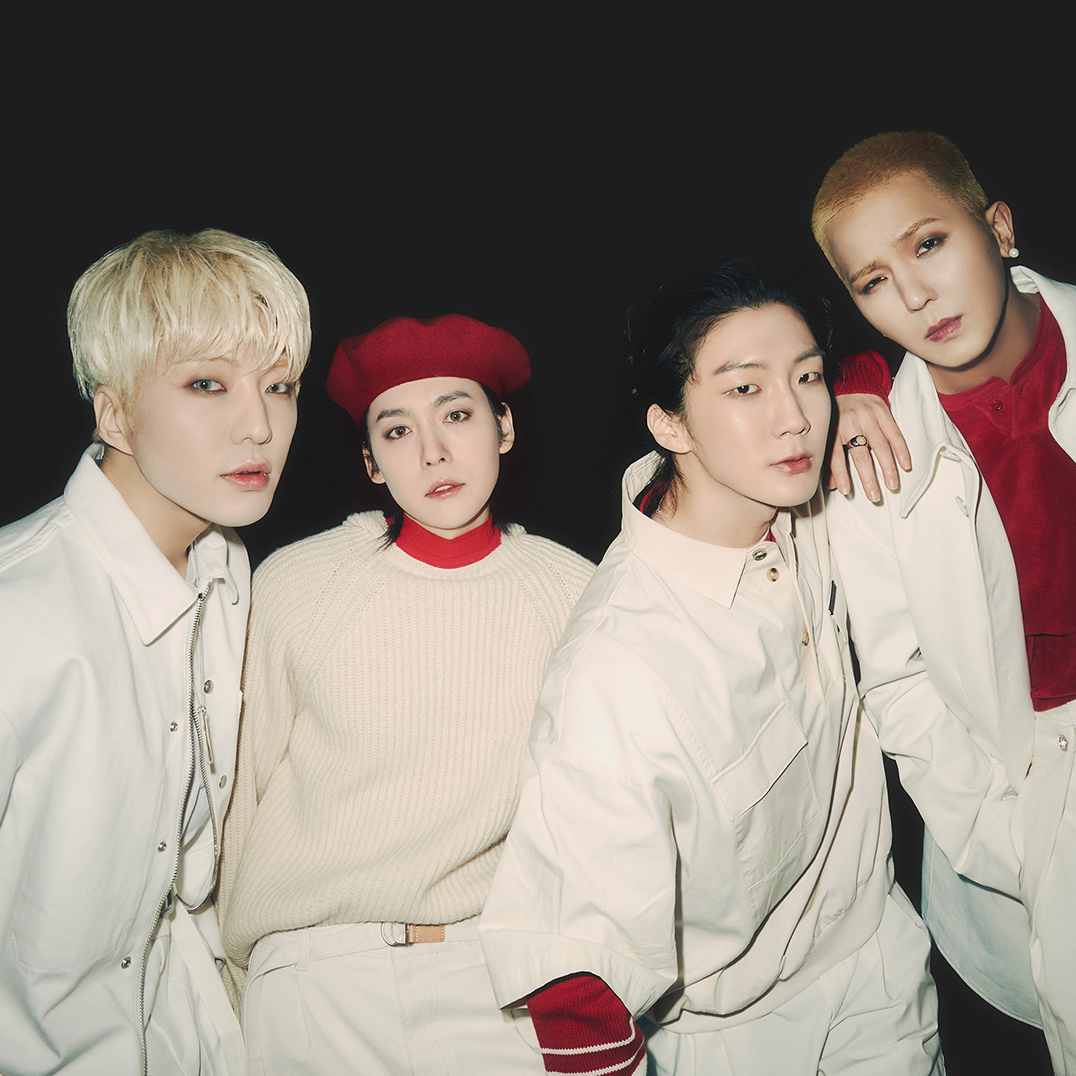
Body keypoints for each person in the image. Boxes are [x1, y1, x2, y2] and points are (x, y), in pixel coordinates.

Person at [478, 261, 943, 1075]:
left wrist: (859, 386)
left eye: (807, 377)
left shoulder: (799, 504)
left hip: (877, 957)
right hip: (734, 1032)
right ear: (669, 424)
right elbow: (574, 977)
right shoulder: (620, 666)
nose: (794, 419)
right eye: (744, 389)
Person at [217, 312, 594, 1075]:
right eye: (396, 430)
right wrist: (234, 1002)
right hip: (315, 979)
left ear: (504, 427)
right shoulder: (296, 585)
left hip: (497, 982)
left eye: (457, 415)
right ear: (370, 461)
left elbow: (598, 817)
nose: (432, 451)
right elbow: (235, 802)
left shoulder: (576, 593)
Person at [0, 229, 310, 1076]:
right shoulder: (19, 610)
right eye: (207, 384)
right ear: (114, 413)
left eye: (279, 386)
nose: (259, 425)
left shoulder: (231, 579)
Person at [812, 130, 1076, 1071]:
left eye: (929, 244)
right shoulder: (869, 458)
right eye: (874, 281)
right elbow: (899, 684)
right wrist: (1012, 839)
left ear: (997, 228)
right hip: (1033, 786)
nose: (915, 296)